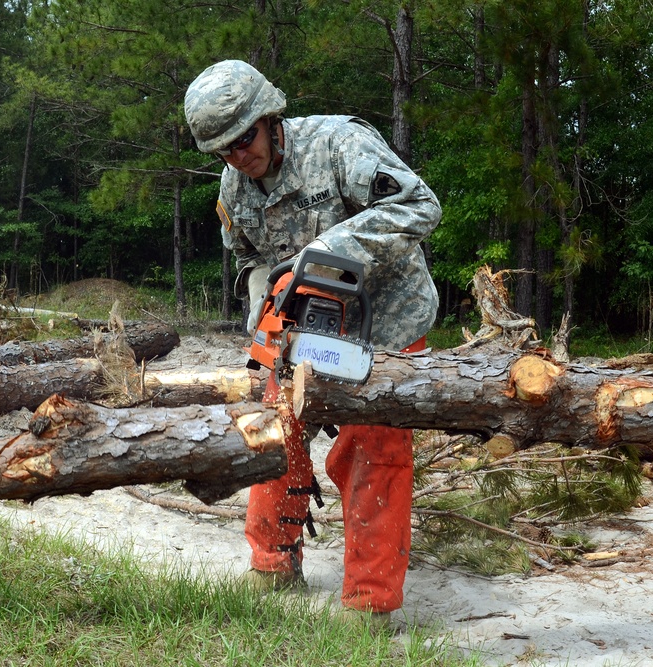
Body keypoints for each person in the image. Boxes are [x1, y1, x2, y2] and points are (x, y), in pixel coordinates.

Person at [184, 60, 442, 629]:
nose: (236, 156)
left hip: (386, 321)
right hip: (303, 327)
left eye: (243, 140)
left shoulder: (338, 144)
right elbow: (250, 257)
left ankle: (370, 602)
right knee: (272, 428)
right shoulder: (235, 182)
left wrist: (328, 249)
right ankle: (272, 562)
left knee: (373, 449)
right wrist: (262, 303)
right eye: (222, 150)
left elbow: (421, 207)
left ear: (269, 118)